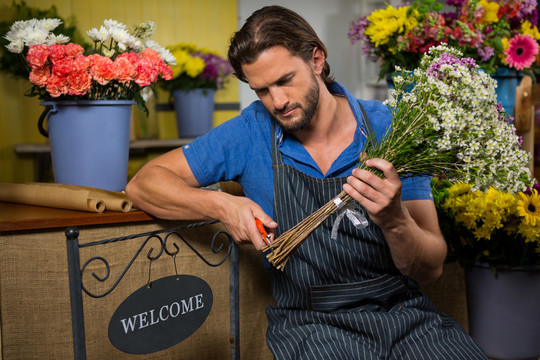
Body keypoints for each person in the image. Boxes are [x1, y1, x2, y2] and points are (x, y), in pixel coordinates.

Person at [126, 5, 487, 359]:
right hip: (313, 326)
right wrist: (222, 205)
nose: (277, 102)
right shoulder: (251, 131)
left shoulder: (390, 127)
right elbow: (143, 184)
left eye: (285, 80)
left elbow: (430, 268)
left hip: (407, 316)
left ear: (316, 60)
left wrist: (394, 219)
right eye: (262, 91)